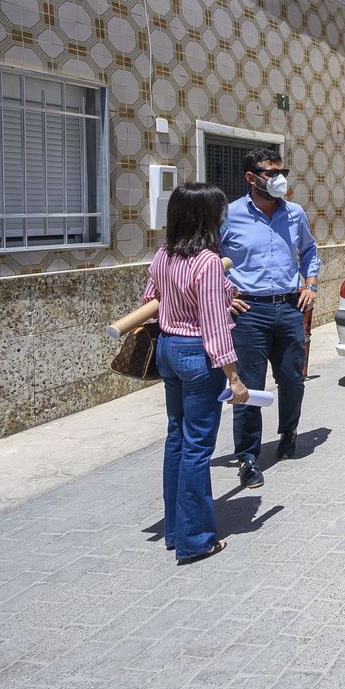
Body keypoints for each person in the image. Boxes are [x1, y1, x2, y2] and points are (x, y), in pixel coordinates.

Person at [142, 182, 249, 565]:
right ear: (207, 217)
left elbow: (149, 300)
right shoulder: (205, 261)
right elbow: (215, 325)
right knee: (198, 447)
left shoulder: (163, 256)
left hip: (169, 350)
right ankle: (195, 540)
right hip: (197, 355)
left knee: (177, 438)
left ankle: (174, 531)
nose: (223, 218)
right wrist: (234, 376)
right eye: (219, 212)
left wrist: (219, 291)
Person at [221, 147, 320, 488]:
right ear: (251, 178)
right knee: (248, 386)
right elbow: (207, 257)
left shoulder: (294, 214)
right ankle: (247, 457)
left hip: (290, 306)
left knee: (292, 378)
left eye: (282, 172)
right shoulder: (229, 215)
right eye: (271, 173)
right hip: (249, 311)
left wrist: (312, 285)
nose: (279, 179)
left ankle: (289, 432)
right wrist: (224, 293)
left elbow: (309, 251)